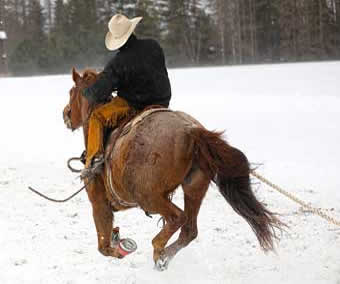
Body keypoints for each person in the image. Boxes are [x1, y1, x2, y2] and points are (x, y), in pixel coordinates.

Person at [80, 13, 172, 179]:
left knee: (96, 117)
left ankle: (94, 159)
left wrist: (87, 92)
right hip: (162, 101)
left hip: (135, 104)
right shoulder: (154, 46)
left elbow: (100, 91)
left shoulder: (118, 62)